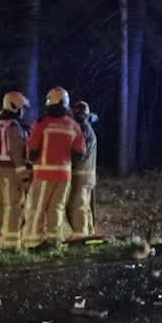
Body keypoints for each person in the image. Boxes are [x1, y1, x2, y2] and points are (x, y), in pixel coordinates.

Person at [24, 88, 87, 251]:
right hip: (64, 175)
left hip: (43, 174)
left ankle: (33, 241)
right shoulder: (73, 126)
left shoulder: (42, 123)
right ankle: (53, 241)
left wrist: (31, 162)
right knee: (56, 208)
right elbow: (80, 152)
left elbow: (32, 150)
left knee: (37, 207)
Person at [0, 92, 31, 249]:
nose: (23, 111)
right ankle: (11, 245)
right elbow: (15, 151)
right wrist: (24, 174)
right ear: (15, 107)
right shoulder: (13, 125)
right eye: (22, 108)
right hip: (9, 171)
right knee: (14, 206)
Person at [67, 98, 100, 239]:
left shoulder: (82, 129)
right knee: (85, 206)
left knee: (78, 205)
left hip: (81, 174)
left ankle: (80, 236)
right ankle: (89, 231)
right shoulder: (87, 128)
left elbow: (78, 154)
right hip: (87, 174)